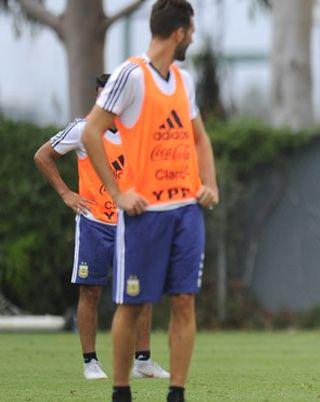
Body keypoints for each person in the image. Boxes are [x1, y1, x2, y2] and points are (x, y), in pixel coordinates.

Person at [81, 1, 219, 401]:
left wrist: (209, 184)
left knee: (184, 302)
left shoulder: (184, 79)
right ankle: (120, 392)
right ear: (179, 32)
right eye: (190, 29)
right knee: (132, 305)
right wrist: (118, 192)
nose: (193, 35)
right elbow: (92, 132)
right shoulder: (130, 75)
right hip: (145, 216)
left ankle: (176, 393)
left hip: (186, 213)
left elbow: (200, 138)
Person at [34, 74, 170, 381]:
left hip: (131, 225)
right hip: (95, 224)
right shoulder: (83, 129)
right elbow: (43, 156)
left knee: (140, 291)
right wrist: (66, 193)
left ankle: (143, 361)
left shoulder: (138, 133)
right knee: (91, 291)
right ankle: (90, 362)